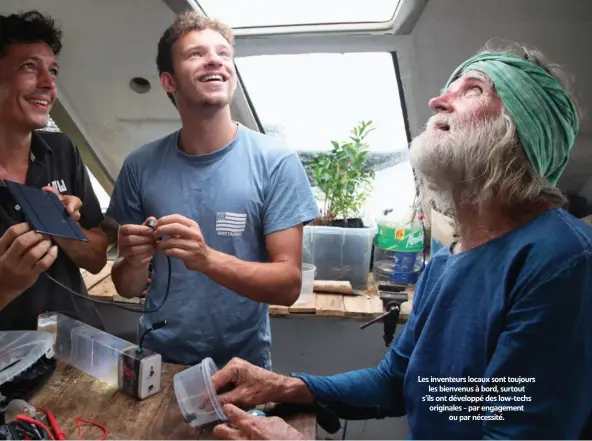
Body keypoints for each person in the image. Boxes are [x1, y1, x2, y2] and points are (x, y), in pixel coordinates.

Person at [209, 40, 592, 440]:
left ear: (522, 127)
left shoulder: (562, 261)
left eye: (473, 90)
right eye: (450, 87)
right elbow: (395, 380)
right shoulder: (446, 261)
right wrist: (287, 386)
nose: (437, 100)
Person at [105, 11, 319, 368]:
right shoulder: (140, 165)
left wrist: (206, 260)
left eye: (223, 53)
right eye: (196, 54)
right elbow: (126, 287)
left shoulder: (276, 162)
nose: (215, 60)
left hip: (242, 368)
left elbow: (288, 285)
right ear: (168, 82)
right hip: (159, 361)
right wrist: (135, 260)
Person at [0, 11, 108, 330]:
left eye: (54, 71)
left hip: (78, 351)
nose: (48, 84)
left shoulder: (62, 150)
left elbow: (97, 257)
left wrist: (65, 230)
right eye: (29, 66)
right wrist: (4, 285)